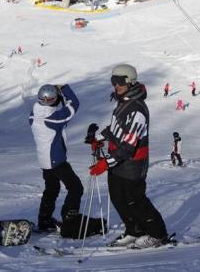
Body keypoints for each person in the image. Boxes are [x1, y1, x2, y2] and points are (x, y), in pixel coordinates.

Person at [85, 64, 168, 249]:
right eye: (113, 81)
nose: (116, 85)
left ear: (130, 82)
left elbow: (128, 147)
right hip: (118, 162)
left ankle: (158, 234)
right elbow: (116, 128)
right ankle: (135, 230)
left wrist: (105, 164)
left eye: (120, 81)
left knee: (136, 200)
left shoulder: (137, 109)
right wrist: (98, 138)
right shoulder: (123, 102)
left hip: (133, 163)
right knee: (118, 198)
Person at [29, 84, 83, 232]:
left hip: (44, 160)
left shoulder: (33, 114)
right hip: (56, 160)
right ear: (54, 99)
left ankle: (44, 220)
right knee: (76, 188)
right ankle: (69, 220)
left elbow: (54, 107)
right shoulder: (53, 119)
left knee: (52, 188)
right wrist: (64, 89)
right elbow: (74, 105)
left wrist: (57, 97)